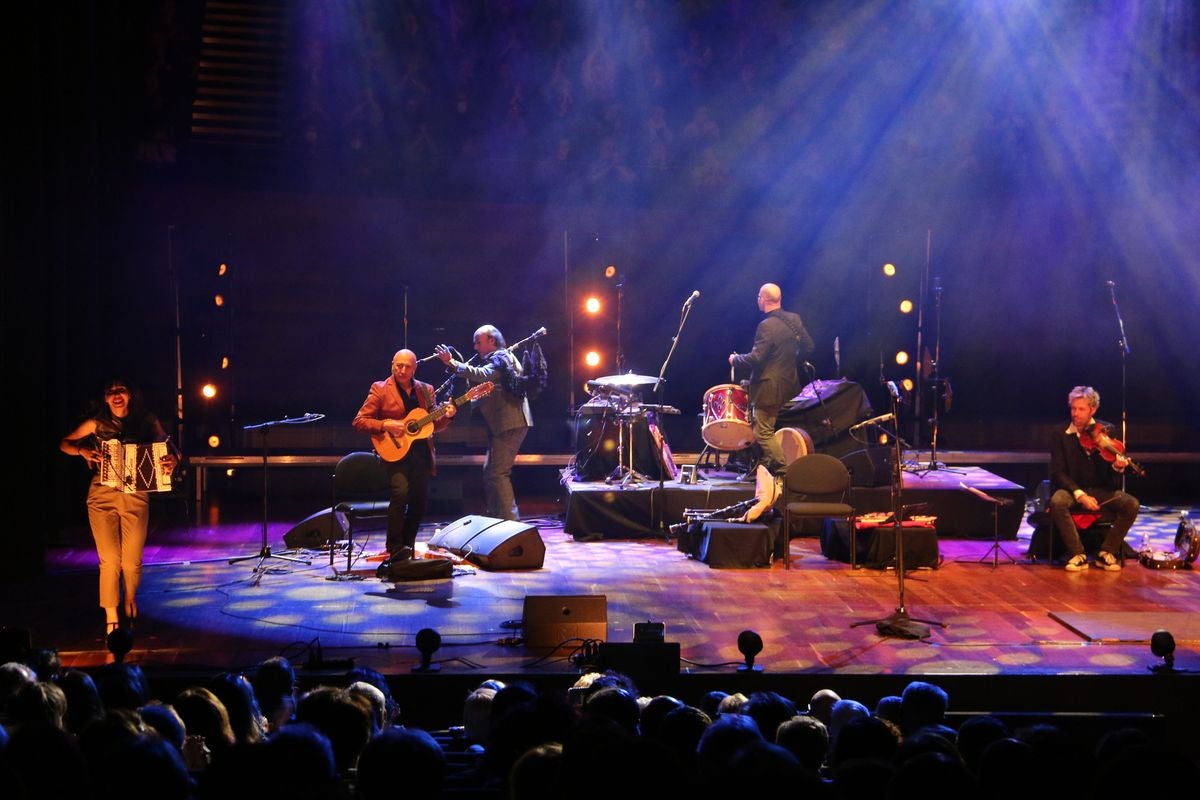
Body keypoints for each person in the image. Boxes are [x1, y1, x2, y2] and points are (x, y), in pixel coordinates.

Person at [59, 378, 178, 638]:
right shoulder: (97, 422)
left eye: (121, 390)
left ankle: (130, 597)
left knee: (131, 559)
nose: (116, 395)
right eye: (111, 392)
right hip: (103, 493)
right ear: (105, 398)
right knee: (110, 559)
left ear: (129, 395)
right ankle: (111, 615)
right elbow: (65, 443)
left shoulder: (146, 419)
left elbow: (168, 444)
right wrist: (83, 452)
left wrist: (173, 459)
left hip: (136, 492)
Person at [352, 349, 455, 573]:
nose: (402, 370)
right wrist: (385, 425)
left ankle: (406, 548)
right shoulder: (379, 388)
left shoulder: (425, 390)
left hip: (420, 454)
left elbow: (432, 425)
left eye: (407, 366)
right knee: (400, 494)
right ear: (392, 365)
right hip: (394, 453)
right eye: (398, 365)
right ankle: (394, 548)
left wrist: (447, 415)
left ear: (414, 369)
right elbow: (359, 421)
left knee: (419, 501)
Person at [435, 325, 532, 520]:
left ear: (492, 341)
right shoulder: (496, 360)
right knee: (490, 472)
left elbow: (482, 375)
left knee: (497, 473)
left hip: (510, 423)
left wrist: (452, 362)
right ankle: (498, 518)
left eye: (478, 342)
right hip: (504, 425)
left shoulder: (501, 358)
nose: (475, 347)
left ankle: (511, 524)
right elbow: (479, 383)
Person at [1048, 385, 1140, 571]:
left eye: (1081, 409)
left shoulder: (1107, 431)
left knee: (1131, 504)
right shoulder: (1060, 433)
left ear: (1093, 409)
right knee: (1057, 501)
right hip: (1072, 490)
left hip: (1100, 490)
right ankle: (1077, 553)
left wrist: (1117, 466)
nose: (1075, 414)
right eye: (1073, 408)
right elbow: (1057, 472)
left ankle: (1106, 552)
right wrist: (1080, 495)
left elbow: (1111, 476)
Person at [729, 283, 814, 475]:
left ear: (763, 299)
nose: (757, 299)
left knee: (763, 431)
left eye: (758, 296)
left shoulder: (766, 326)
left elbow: (756, 357)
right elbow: (808, 346)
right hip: (788, 384)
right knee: (768, 425)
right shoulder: (794, 319)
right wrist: (788, 361)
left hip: (769, 387)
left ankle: (783, 469)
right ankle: (766, 466)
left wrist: (735, 360)